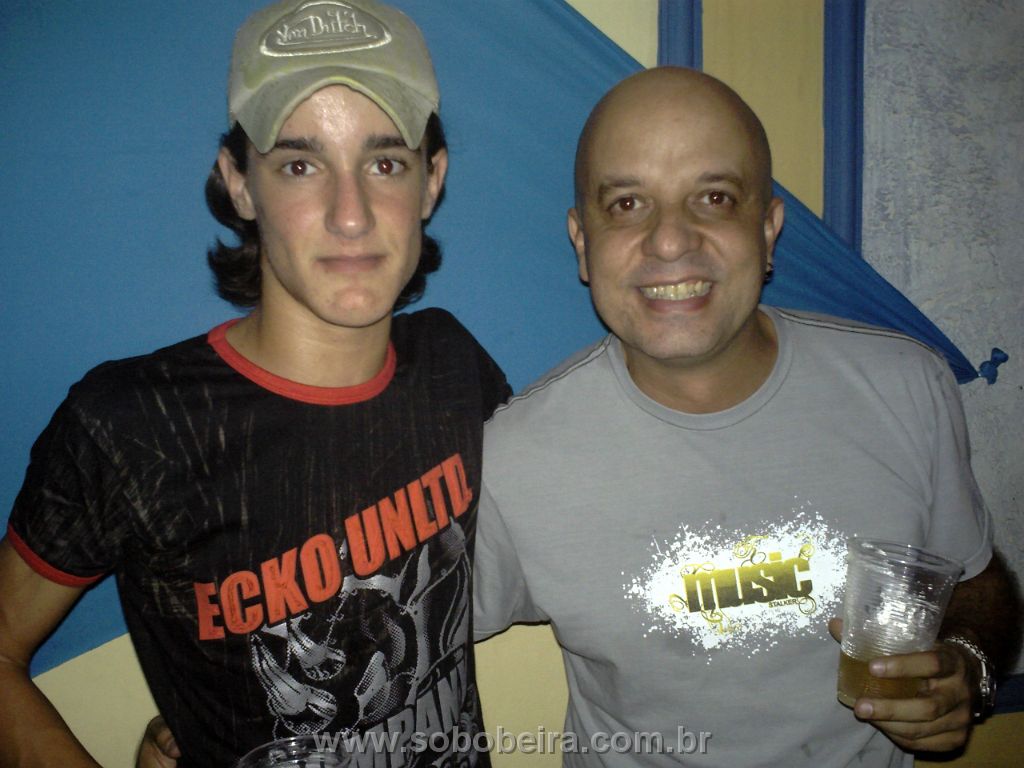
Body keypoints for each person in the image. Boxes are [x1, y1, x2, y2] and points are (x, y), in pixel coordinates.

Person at [0, 1, 509, 766]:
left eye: (385, 163)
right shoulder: (135, 428)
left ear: (431, 180)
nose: (350, 215)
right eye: (300, 165)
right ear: (238, 183)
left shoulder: (455, 365)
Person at [471, 67, 1017, 766]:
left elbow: (975, 581)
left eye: (714, 198)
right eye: (628, 203)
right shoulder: (515, 457)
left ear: (767, 229)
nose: (671, 240)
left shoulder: (906, 387)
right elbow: (390, 637)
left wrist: (966, 666)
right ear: (583, 243)